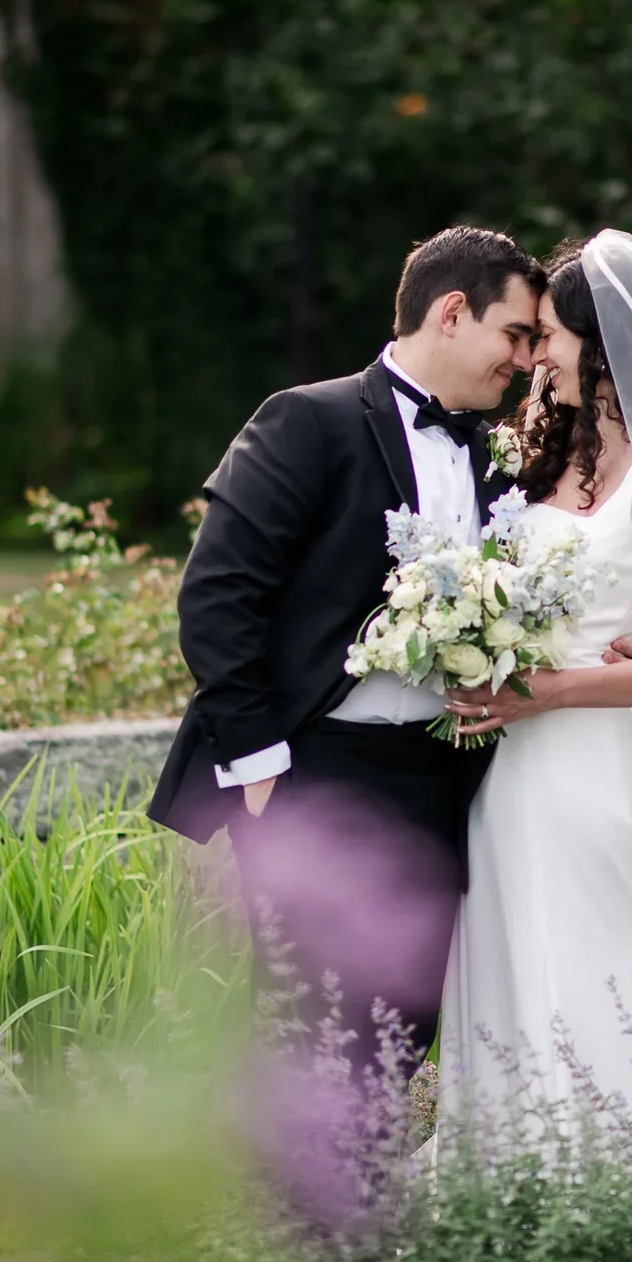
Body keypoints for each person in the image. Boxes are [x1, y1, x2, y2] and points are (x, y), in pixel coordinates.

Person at [148, 225, 544, 1063]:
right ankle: (309, 1194)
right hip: (313, 771)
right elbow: (217, 594)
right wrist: (258, 763)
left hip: (441, 774)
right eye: (514, 333)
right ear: (450, 312)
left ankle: (365, 1186)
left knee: (412, 1013)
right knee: (316, 1018)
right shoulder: (306, 420)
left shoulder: (492, 455)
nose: (523, 359)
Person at [437, 229, 632, 1151]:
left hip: (579, 760)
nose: (536, 356)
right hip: (501, 764)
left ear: (598, 338)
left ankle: (628, 1172)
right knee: (504, 955)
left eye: (549, 338)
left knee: (585, 955)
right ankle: (508, 1173)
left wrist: (557, 689)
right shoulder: (551, 457)